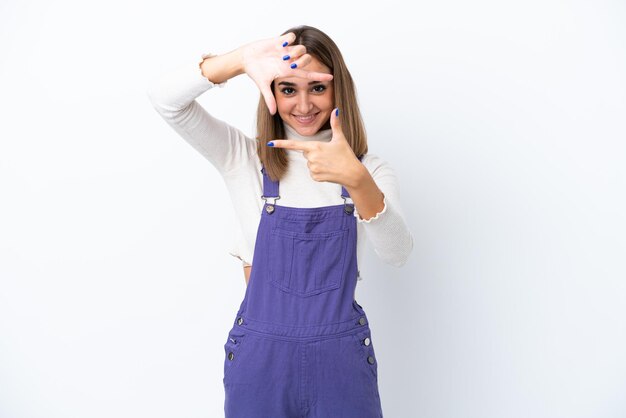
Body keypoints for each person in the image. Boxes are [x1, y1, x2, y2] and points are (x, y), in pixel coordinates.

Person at [147, 25, 413, 418]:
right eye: (288, 88)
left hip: (340, 362)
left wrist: (356, 179)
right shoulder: (243, 157)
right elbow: (165, 100)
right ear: (270, 91)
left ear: (339, 90)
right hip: (262, 365)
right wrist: (238, 61)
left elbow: (398, 253)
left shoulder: (369, 170)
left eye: (317, 87)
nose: (303, 104)